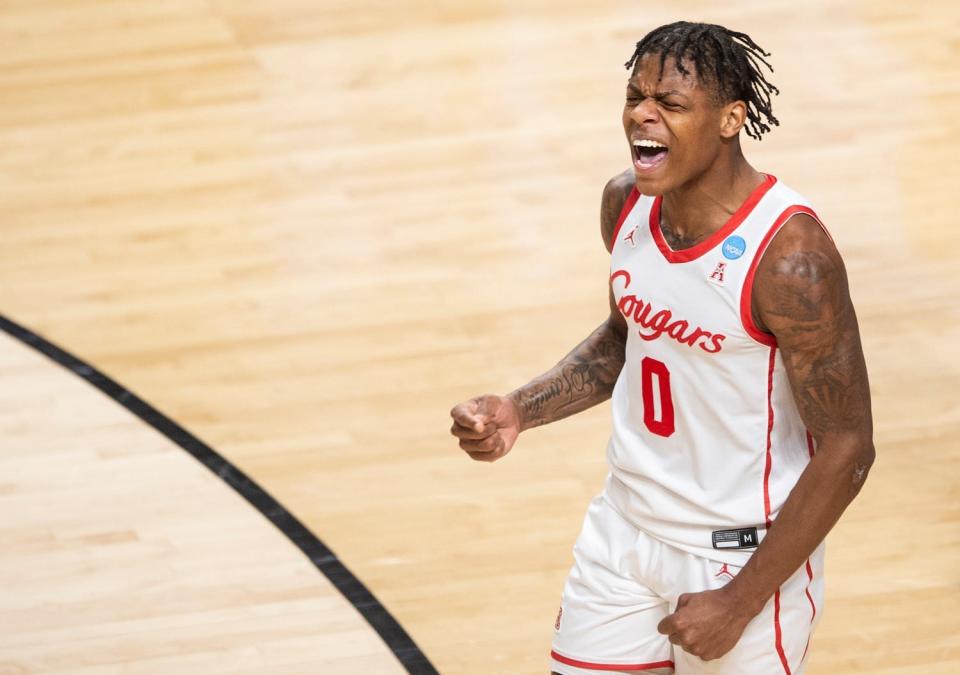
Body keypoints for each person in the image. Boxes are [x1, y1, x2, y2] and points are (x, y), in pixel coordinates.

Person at [449, 21, 874, 675]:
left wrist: (739, 600)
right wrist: (519, 409)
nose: (642, 114)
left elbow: (848, 447)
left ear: (731, 118)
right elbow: (633, 335)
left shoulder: (791, 259)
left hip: (745, 556)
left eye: (670, 103)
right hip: (623, 531)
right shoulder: (625, 205)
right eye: (634, 95)